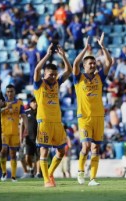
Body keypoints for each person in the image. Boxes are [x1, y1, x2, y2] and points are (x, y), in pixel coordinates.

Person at [73, 32, 112, 186]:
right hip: (84, 117)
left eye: (94, 63)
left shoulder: (99, 77)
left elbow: (109, 63)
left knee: (96, 148)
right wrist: (85, 49)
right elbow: (74, 64)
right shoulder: (78, 77)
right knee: (86, 146)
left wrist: (102, 47)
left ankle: (93, 179)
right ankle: (80, 171)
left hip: (98, 117)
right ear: (85, 66)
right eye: (90, 63)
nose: (93, 65)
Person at [33, 43, 72, 187]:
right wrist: (48, 55)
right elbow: (37, 69)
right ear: (45, 74)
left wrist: (63, 56)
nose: (53, 77)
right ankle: (46, 180)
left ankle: (49, 173)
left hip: (57, 122)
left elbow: (68, 70)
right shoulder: (39, 84)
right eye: (51, 74)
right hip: (44, 122)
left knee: (61, 151)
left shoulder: (56, 83)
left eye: (55, 75)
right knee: (44, 151)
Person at [0, 84, 28, 182]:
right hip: (4, 132)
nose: (10, 93)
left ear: (14, 92)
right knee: (3, 151)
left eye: (11, 91)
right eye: (8, 91)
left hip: (15, 132)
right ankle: (4, 173)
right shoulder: (2, 103)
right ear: (6, 93)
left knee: (12, 154)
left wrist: (26, 127)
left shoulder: (19, 103)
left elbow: (24, 116)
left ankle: (13, 176)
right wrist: (6, 107)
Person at [21, 97, 39, 178]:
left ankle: (38, 173)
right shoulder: (26, 112)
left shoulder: (41, 112)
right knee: (27, 156)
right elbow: (22, 125)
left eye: (36, 102)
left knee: (39, 156)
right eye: (33, 102)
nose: (35, 103)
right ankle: (31, 168)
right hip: (28, 138)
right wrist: (21, 137)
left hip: (39, 138)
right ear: (30, 103)